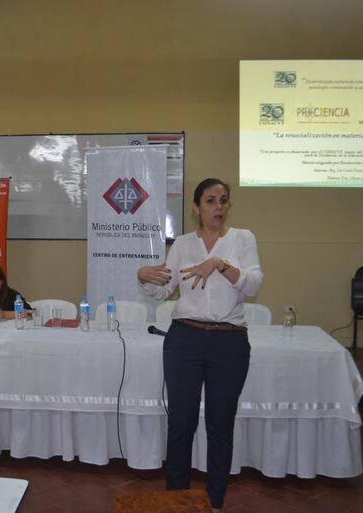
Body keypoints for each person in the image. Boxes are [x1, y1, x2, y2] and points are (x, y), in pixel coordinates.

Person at [137, 178, 263, 513]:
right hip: (185, 339)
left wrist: (220, 264)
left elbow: (253, 284)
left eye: (224, 200)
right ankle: (177, 502)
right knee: (181, 425)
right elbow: (163, 290)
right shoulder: (182, 244)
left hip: (229, 340)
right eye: (211, 201)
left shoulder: (243, 238)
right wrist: (144, 277)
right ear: (196, 207)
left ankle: (215, 503)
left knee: (220, 426)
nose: (219, 207)